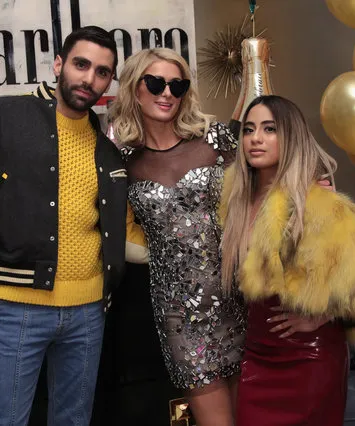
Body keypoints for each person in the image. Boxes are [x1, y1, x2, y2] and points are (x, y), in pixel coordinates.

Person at [0, 26, 146, 426]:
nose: (90, 79)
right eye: (81, 64)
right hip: (16, 306)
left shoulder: (107, 150)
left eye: (102, 72)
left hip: (88, 312)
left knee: (74, 421)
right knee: (3, 421)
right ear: (58, 64)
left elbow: (122, 230)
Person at [219, 95, 355, 426]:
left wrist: (322, 317)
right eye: (249, 129)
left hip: (309, 357)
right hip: (256, 355)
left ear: (292, 136)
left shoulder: (319, 204)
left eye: (270, 129)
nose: (255, 138)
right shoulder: (236, 201)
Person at [108, 48, 246, 426]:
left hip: (240, 297)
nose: (166, 93)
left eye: (177, 84)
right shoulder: (123, 162)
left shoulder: (217, 141)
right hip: (179, 312)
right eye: (155, 83)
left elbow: (263, 194)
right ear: (134, 90)